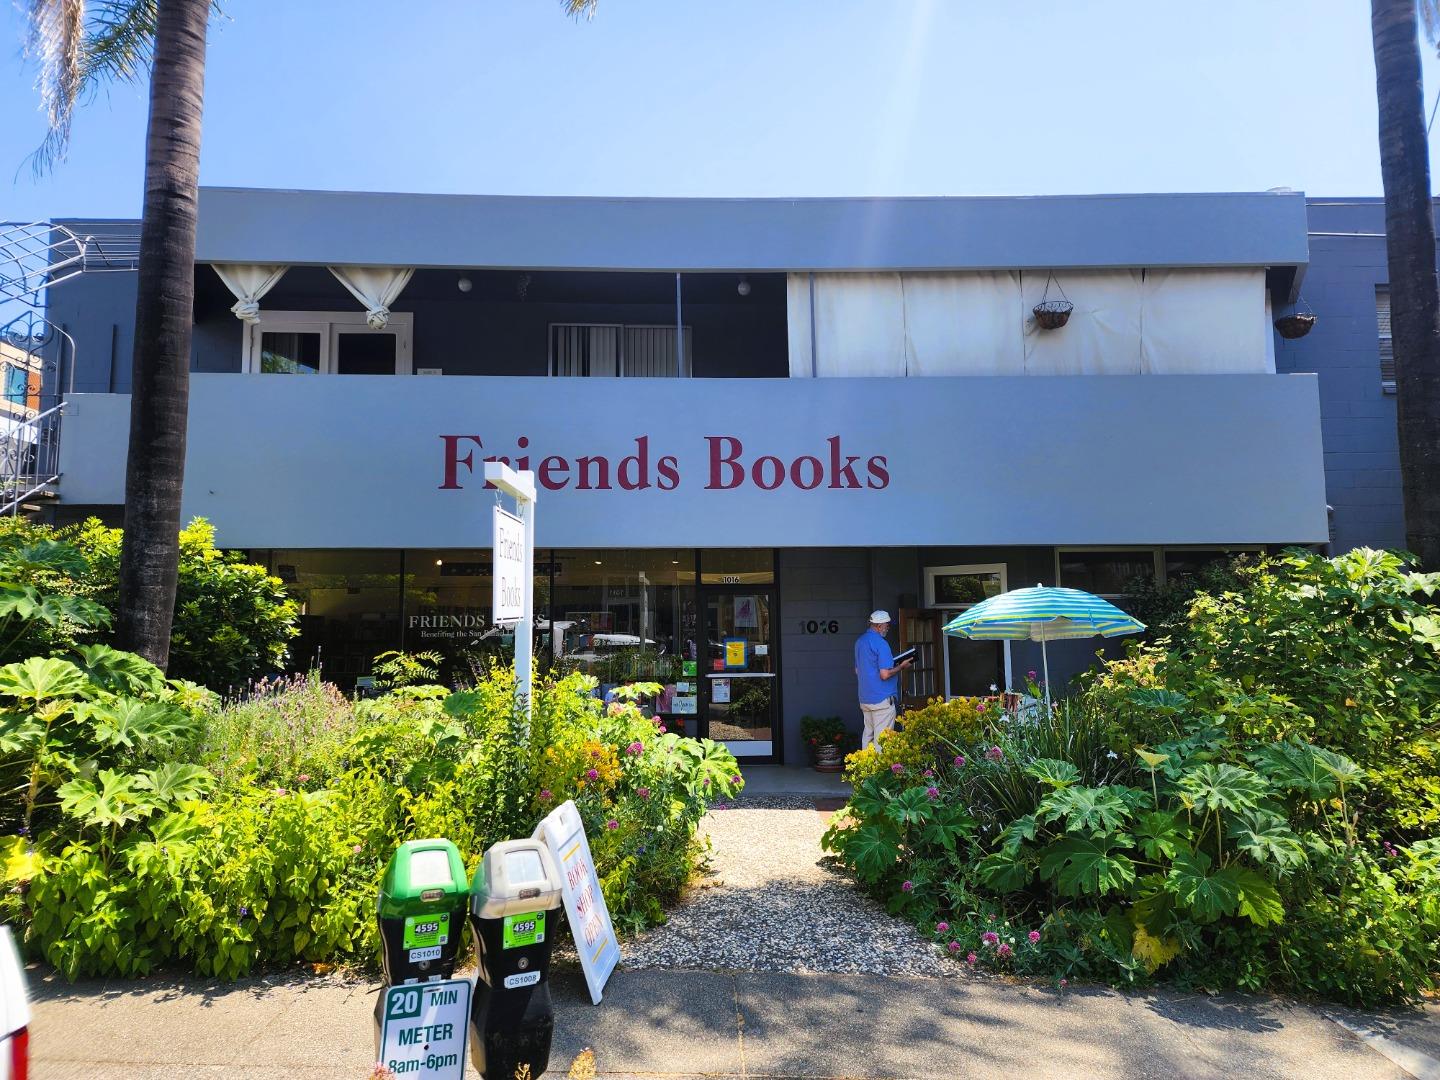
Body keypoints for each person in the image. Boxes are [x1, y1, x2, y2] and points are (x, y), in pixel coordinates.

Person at [854, 610, 912, 751]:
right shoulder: (881, 644)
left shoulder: (860, 642)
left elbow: (857, 670)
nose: (888, 627)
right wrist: (901, 667)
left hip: (865, 698)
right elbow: (884, 675)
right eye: (887, 624)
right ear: (879, 626)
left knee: (868, 736)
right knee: (882, 740)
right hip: (882, 699)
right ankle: (878, 772)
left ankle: (864, 769)